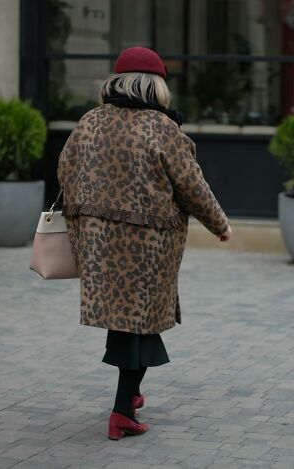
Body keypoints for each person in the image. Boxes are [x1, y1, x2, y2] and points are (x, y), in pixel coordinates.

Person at [57, 47, 232, 440]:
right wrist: (219, 224)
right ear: (155, 86)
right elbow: (192, 187)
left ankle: (130, 397)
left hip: (100, 246)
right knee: (139, 325)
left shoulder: (89, 122)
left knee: (128, 324)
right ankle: (122, 411)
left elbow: (65, 170)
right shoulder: (160, 128)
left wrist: (88, 216)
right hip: (149, 250)